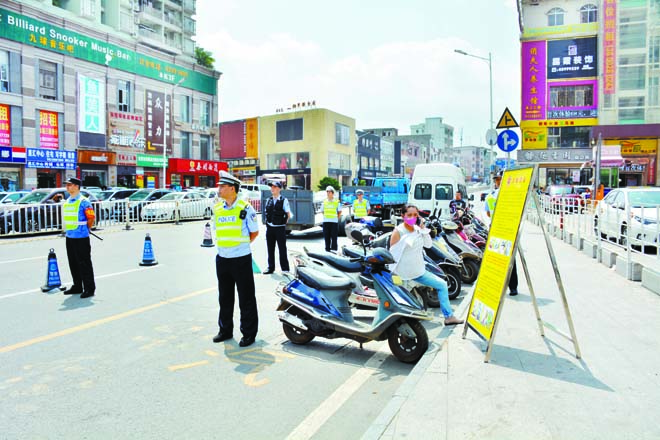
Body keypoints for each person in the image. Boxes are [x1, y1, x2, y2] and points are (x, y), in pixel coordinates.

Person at [389, 204, 463, 325]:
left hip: (419, 272)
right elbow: (392, 255)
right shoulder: (398, 231)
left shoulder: (418, 230)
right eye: (409, 215)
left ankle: (449, 316)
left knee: (442, 285)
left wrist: (423, 229)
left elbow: (428, 245)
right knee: (401, 305)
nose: (412, 217)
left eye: (415, 215)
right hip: (403, 275)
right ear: (403, 216)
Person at [213, 171, 260, 347]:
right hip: (222, 259)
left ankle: (248, 333)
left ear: (232, 188)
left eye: (222, 186)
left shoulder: (246, 208)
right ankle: (225, 330)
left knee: (246, 297)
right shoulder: (217, 208)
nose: (219, 189)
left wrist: (239, 247)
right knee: (224, 297)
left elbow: (254, 232)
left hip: (241, 259)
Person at [485, 171, 519, 296]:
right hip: (495, 230)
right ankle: (498, 287)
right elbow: (488, 213)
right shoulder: (490, 196)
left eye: (500, 179)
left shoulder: (509, 195)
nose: (498, 182)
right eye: (497, 180)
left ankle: (513, 287)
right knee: (496, 260)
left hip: (507, 230)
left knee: (510, 260)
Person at [62, 178, 96, 299]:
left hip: (81, 236)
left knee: (84, 263)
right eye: (67, 185)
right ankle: (77, 286)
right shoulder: (68, 201)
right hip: (70, 236)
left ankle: (89, 288)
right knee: (73, 262)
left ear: (76, 186)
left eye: (70, 185)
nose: (67, 187)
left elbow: (91, 217)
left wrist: (86, 229)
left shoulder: (84, 201)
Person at [263, 180, 292, 275]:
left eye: (275, 187)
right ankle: (270, 267)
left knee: (282, 248)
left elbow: (288, 214)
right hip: (270, 228)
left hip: (280, 228)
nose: (272, 189)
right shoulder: (268, 200)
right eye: (271, 187)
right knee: (270, 248)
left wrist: (282, 223)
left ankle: (285, 268)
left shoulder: (284, 200)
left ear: (279, 189)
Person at [322, 185, 342, 252]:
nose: (328, 193)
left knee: (334, 237)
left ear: (332, 193)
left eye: (329, 192)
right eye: (327, 192)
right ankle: (327, 250)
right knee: (326, 237)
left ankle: (334, 250)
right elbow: (323, 211)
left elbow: (339, 212)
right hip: (326, 221)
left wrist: (336, 218)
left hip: (334, 222)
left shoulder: (336, 202)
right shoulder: (324, 201)